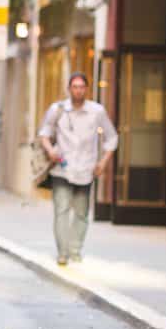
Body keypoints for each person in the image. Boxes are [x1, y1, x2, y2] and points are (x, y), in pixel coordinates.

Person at [38, 72, 118, 266]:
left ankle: (75, 249)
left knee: (81, 213)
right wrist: (50, 151)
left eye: (82, 87)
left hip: (86, 169)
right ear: (69, 88)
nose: (78, 90)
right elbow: (44, 133)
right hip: (61, 169)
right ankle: (63, 253)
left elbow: (112, 137)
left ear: (87, 89)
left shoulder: (97, 111)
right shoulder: (57, 110)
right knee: (61, 210)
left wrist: (102, 163)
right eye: (75, 86)